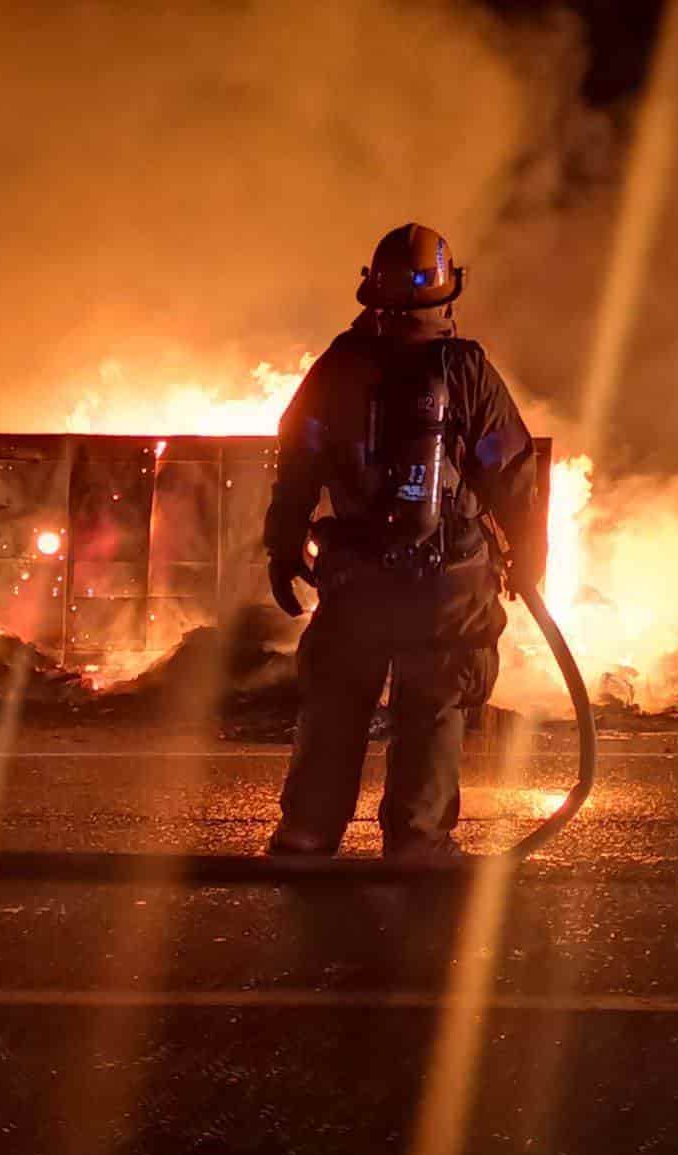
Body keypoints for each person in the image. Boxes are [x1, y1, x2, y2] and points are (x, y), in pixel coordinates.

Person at [263, 222, 544, 860]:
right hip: (448, 579)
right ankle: (417, 839)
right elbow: (513, 470)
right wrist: (529, 558)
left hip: (358, 576)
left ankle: (307, 833)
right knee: (436, 705)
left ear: (370, 292)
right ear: (450, 295)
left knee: (337, 704)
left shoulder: (339, 365)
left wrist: (282, 547)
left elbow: (297, 463)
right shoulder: (466, 368)